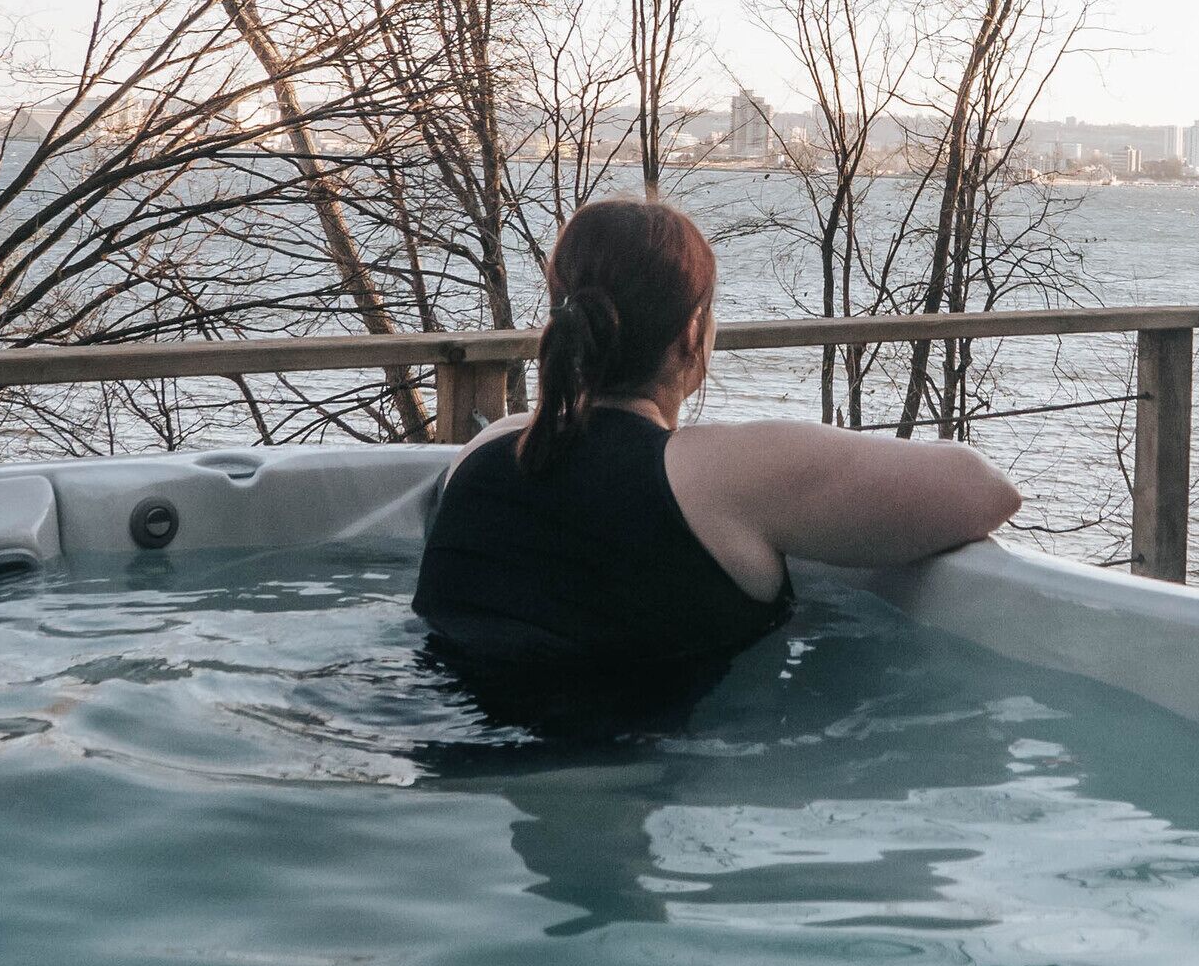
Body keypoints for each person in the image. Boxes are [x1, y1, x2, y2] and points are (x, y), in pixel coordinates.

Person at [413, 196, 1020, 704]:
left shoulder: (485, 451)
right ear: (690, 334)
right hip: (608, 774)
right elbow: (986, 489)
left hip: (442, 749)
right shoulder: (718, 476)